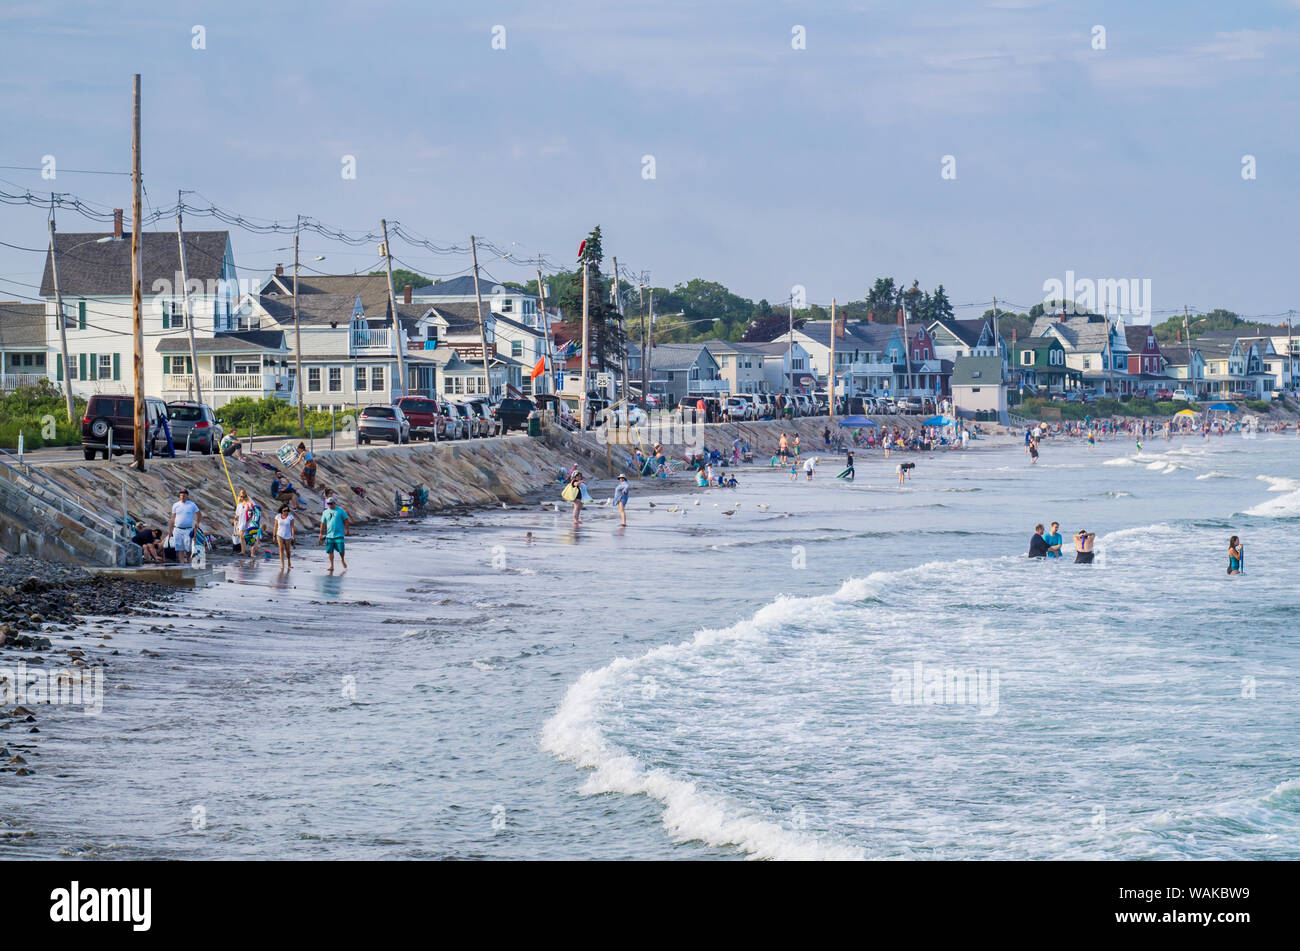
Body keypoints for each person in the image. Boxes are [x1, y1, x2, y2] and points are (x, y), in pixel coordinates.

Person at [167, 488, 202, 564]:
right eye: (181, 495)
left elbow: (199, 514)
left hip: (188, 529)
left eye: (184, 495)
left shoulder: (192, 504)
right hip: (177, 529)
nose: (182, 497)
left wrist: (197, 523)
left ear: (187, 496)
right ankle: (182, 563)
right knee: (179, 547)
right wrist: (170, 530)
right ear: (179, 496)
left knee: (188, 547)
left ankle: (189, 561)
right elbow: (173, 518)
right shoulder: (176, 505)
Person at [317, 496, 349, 571]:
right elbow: (322, 523)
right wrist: (321, 533)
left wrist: (347, 529)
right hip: (329, 535)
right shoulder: (325, 512)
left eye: (331, 503)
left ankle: (342, 560)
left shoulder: (340, 511)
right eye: (328, 504)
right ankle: (331, 565)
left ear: (335, 503)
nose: (330, 505)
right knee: (330, 551)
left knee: (341, 550)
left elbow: (346, 520)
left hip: (339, 534)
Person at [274, 503, 296, 570]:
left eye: (287, 510)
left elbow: (292, 527)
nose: (286, 512)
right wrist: (274, 535)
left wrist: (293, 536)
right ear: (281, 511)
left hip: (288, 536)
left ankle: (289, 562)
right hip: (279, 535)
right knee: (281, 549)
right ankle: (282, 565)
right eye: (284, 510)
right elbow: (275, 526)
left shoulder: (290, 517)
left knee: (287, 550)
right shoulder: (277, 516)